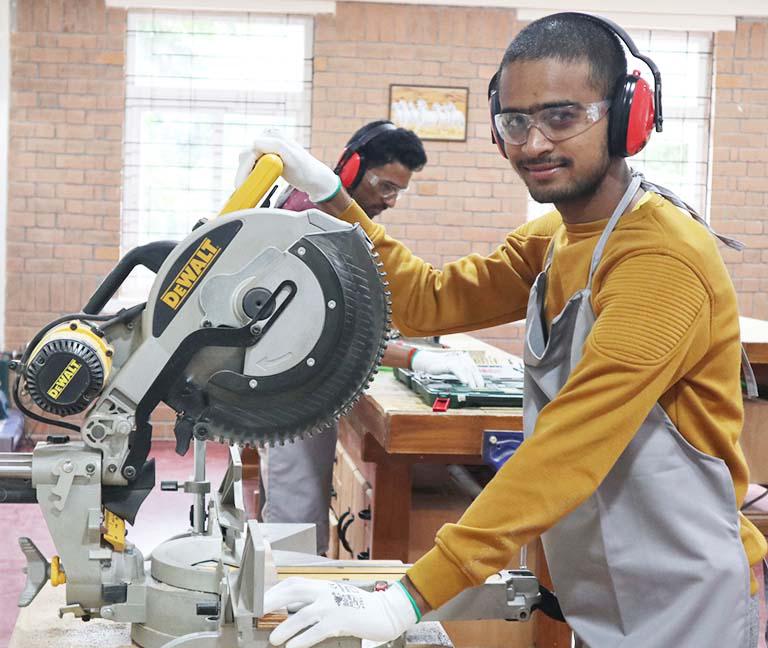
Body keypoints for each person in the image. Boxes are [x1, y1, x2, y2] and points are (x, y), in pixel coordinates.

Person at [242, 12, 768, 648]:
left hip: (686, 598)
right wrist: (331, 194)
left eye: (563, 116)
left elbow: (569, 446)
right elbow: (424, 298)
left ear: (629, 116)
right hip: (601, 584)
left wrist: (409, 595)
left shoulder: (659, 259)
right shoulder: (556, 237)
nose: (534, 142)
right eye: (516, 121)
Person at [236, 120, 484, 555]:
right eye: (385, 185)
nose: (389, 200)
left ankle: (286, 587)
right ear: (350, 169)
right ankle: (283, 605)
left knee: (298, 502)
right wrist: (413, 358)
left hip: (302, 379)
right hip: (293, 381)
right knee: (297, 507)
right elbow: (326, 330)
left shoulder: (331, 217)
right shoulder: (308, 218)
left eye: (398, 192)